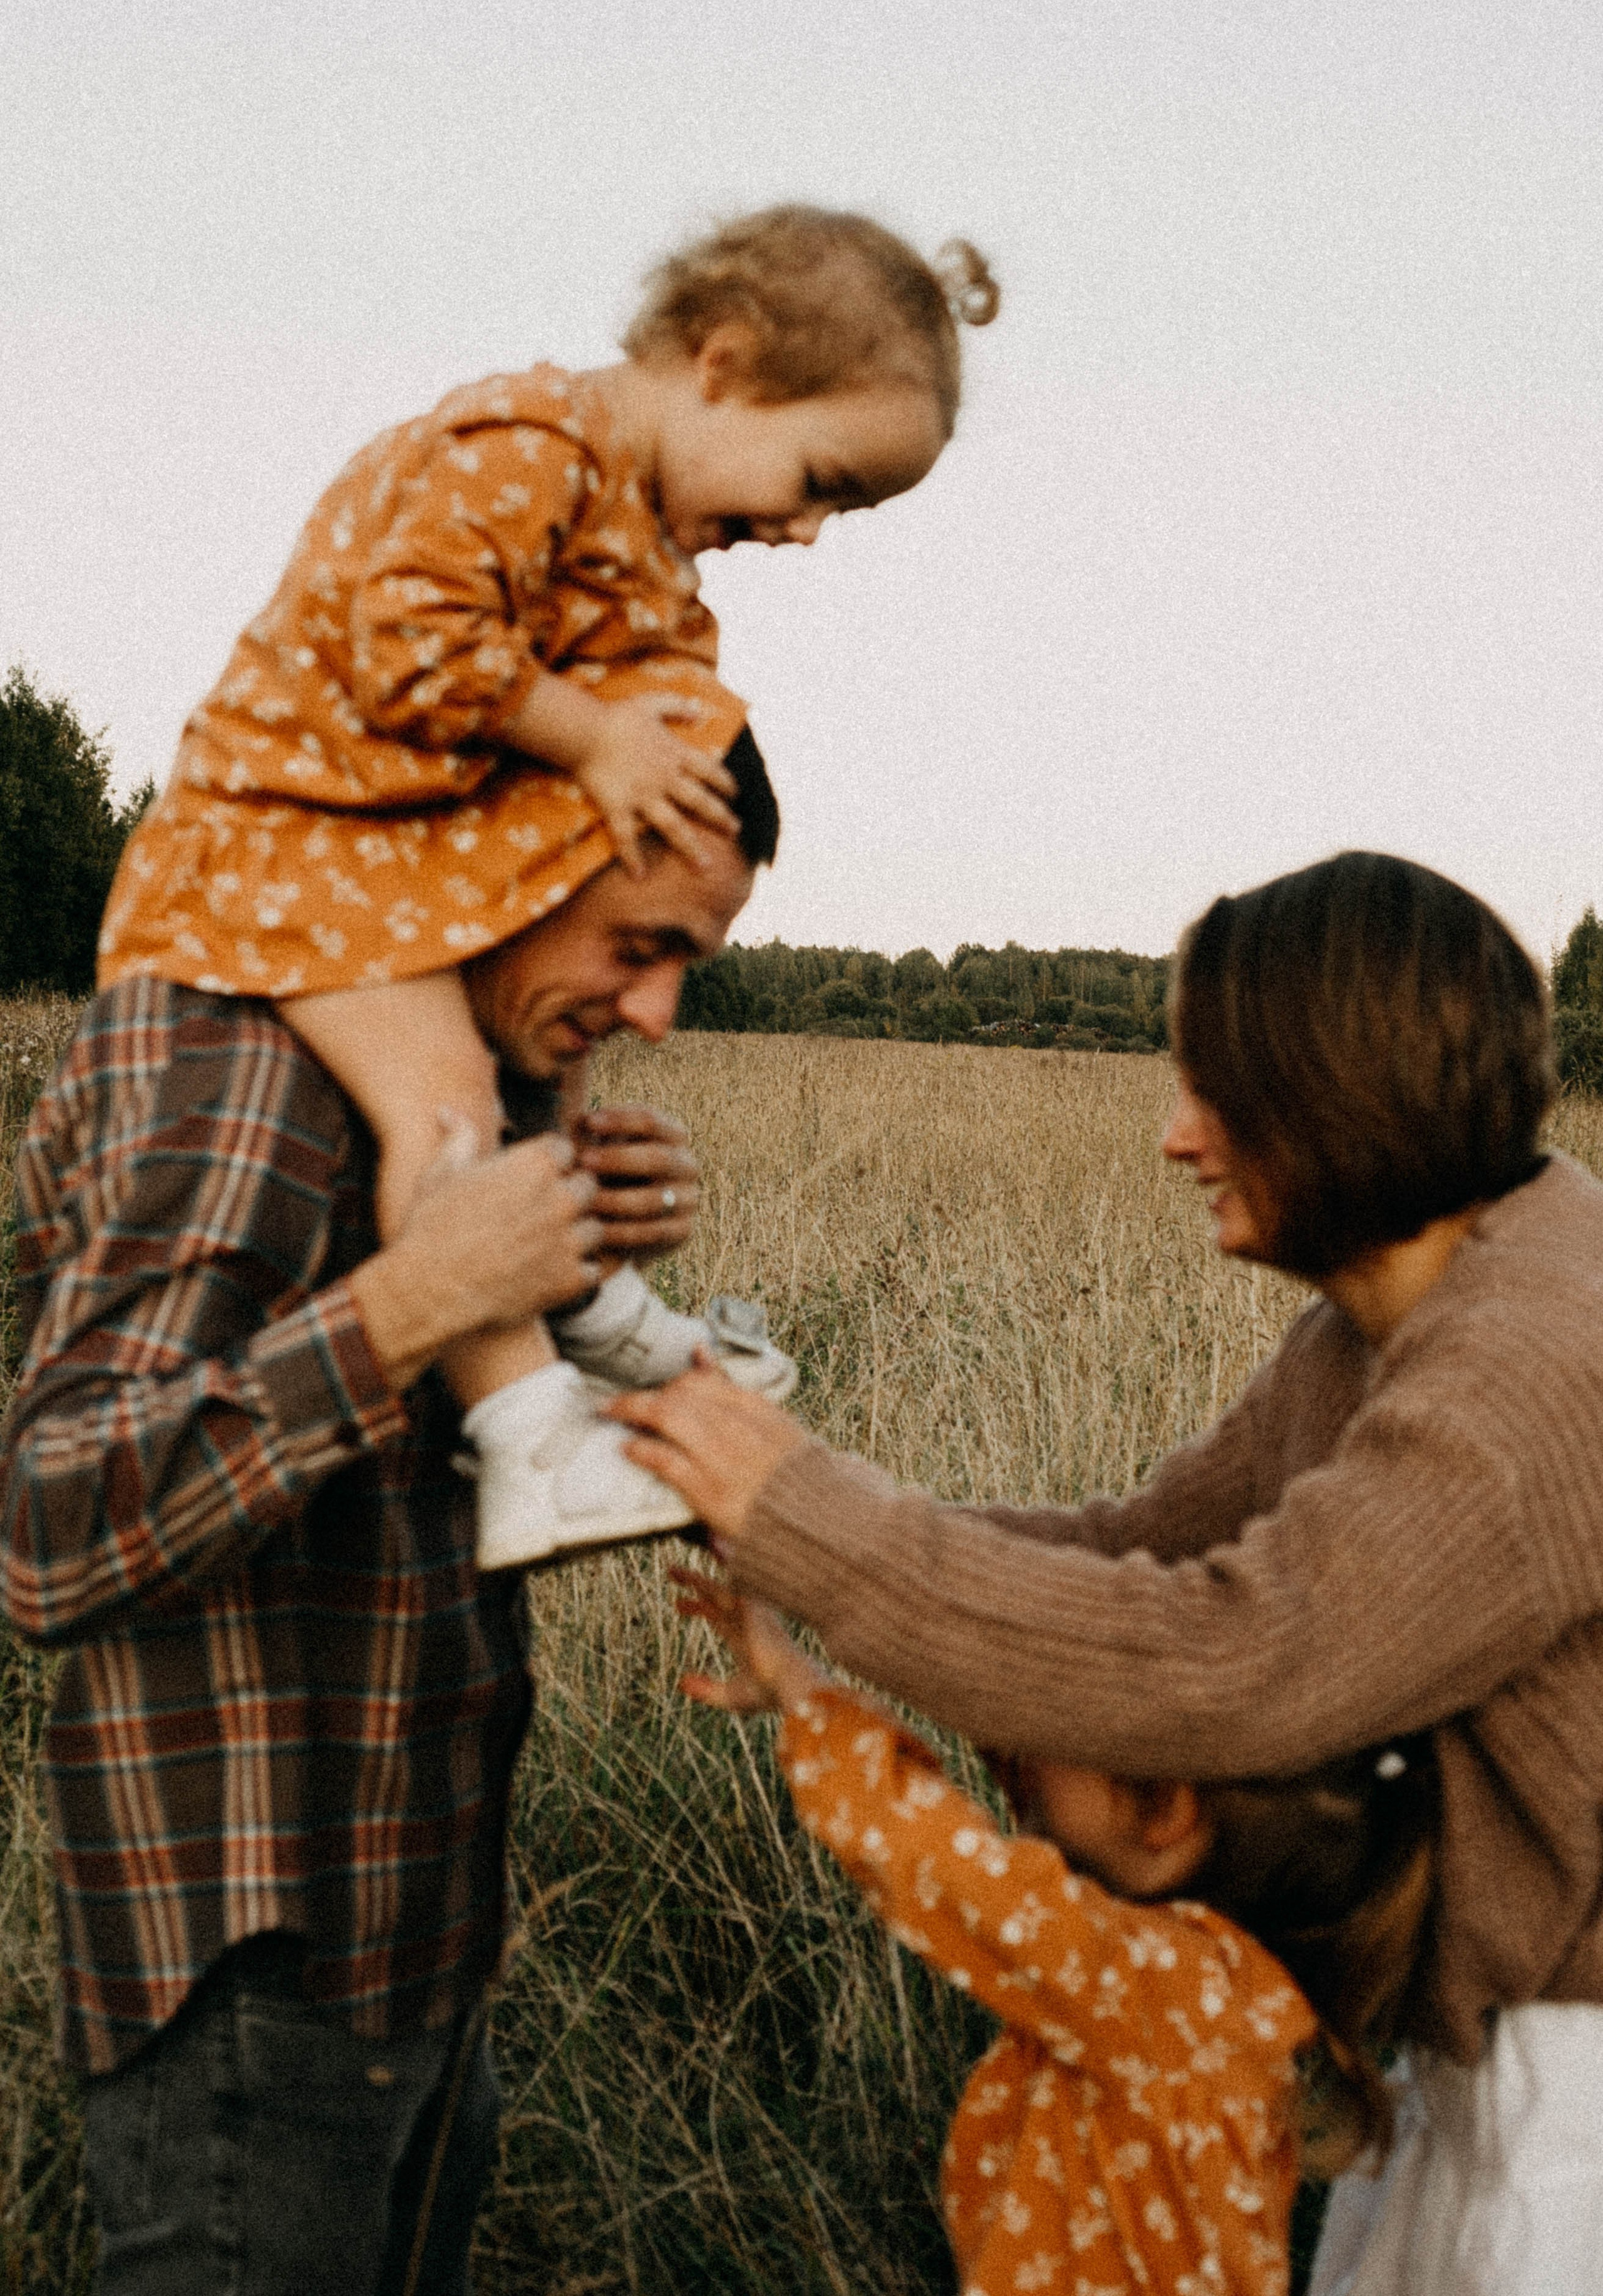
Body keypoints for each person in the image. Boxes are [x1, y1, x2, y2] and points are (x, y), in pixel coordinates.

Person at [614, 851, 1603, 2296]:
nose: (1173, 1137)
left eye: (1212, 1088)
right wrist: (755, 1504)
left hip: (1568, 2110)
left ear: (1327, 1092)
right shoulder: (1396, 1316)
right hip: (1486, 2064)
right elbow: (1135, 1547)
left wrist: (803, 1515)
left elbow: (1237, 1661)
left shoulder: (1530, 1361)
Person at [95, 205, 999, 1528]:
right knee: (447, 1109)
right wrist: (591, 740)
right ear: (723, 365)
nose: (810, 532)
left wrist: (593, 1179)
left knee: (534, 1068)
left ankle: (593, 1310)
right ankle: (527, 1432)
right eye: (819, 481)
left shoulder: (647, 553)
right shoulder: (531, 449)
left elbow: (678, 717)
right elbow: (404, 636)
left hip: (382, 845)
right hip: (276, 847)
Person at [0, 754, 773, 2296]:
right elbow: (47, 1536)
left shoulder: (456, 1091)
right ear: (502, 862)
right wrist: (415, 1300)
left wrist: (570, 1281)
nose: (658, 1013)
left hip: (416, 1930)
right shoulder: (227, 1062)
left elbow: (459, 1474)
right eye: (637, 946)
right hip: (250, 1970)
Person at [673, 1563, 1438, 2296]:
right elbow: (1035, 1816)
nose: (1029, 1740)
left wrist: (802, 1688)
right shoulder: (1213, 1989)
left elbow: (945, 1867)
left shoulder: (1166, 1988)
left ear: (1164, 1808)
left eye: (1065, 1720)